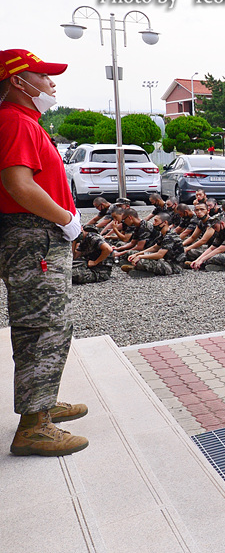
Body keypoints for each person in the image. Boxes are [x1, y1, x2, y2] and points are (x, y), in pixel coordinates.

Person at [0, 48, 89, 456]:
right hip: (33, 235)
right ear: (19, 82)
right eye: (43, 76)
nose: (52, 83)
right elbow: (20, 184)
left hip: (35, 235)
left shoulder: (25, 121)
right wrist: (64, 218)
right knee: (44, 325)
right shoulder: (15, 121)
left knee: (43, 323)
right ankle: (34, 426)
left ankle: (43, 402)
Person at [125, 212, 185, 277]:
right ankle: (138, 268)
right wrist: (137, 254)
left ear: (165, 223)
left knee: (141, 261)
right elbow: (155, 247)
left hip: (174, 267)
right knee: (134, 254)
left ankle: (142, 271)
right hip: (165, 262)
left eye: (156, 221)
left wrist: (140, 256)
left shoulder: (170, 236)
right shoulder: (163, 234)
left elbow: (160, 255)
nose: (154, 223)